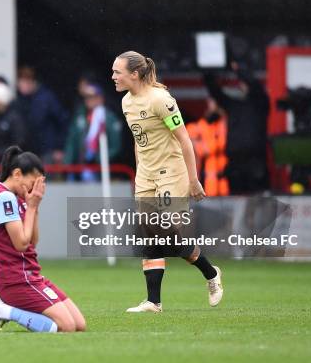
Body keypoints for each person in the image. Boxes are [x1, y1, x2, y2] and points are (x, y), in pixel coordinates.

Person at [112, 51, 223, 313]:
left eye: (117, 71)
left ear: (135, 74)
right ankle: (153, 301)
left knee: (165, 233)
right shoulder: (127, 102)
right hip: (146, 176)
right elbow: (140, 142)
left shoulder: (161, 99)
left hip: (172, 172)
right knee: (150, 233)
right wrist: (140, 174)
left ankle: (211, 273)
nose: (113, 76)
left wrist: (194, 180)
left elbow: (185, 140)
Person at [0, 146, 86, 333]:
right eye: (33, 182)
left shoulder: (15, 198)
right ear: (17, 173)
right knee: (67, 327)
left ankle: (5, 310)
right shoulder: (3, 197)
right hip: (16, 279)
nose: (34, 188)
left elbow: (33, 241)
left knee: (79, 325)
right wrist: (32, 207)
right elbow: (21, 244)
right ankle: (2, 310)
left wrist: (35, 206)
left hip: (30, 275)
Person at [202, 62, 269, 194]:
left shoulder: (260, 104)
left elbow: (256, 87)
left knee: (257, 202)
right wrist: (208, 72)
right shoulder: (233, 106)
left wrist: (238, 69)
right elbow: (216, 93)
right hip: (235, 165)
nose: (241, 85)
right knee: (237, 202)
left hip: (255, 163)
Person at [64, 82, 123, 181]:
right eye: (86, 97)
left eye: (92, 97)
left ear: (100, 98)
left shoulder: (108, 118)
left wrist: (98, 159)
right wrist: (67, 163)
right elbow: (71, 141)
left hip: (101, 169)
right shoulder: (80, 115)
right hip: (79, 167)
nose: (88, 100)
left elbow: (116, 146)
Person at [12, 66, 68, 162]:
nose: (23, 85)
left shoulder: (47, 98)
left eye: (26, 81)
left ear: (33, 82)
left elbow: (62, 121)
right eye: (20, 81)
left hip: (47, 152)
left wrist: (59, 147)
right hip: (26, 153)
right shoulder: (18, 101)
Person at [186, 98, 229, 196]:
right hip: (207, 184)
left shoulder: (224, 124)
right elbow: (189, 134)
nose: (211, 106)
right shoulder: (204, 124)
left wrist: (199, 146)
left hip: (223, 184)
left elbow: (220, 144)